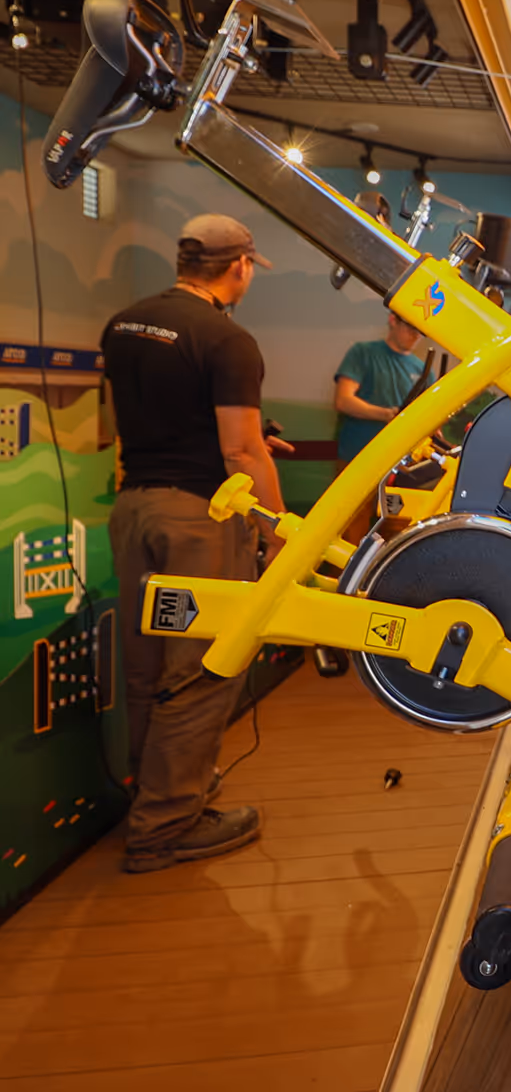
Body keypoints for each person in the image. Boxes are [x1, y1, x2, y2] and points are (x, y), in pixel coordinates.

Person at [101, 213, 285, 873]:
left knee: (147, 667)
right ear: (239, 267)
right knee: (201, 669)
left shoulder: (123, 325)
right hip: (197, 525)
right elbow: (240, 450)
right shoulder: (227, 340)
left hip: (135, 514)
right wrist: (280, 531)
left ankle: (154, 796)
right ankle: (166, 827)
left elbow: (155, 418)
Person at [333, 311, 435, 539]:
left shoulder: (424, 370)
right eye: (410, 327)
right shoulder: (363, 354)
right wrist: (387, 415)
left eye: (420, 331)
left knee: (396, 535)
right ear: (393, 320)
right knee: (350, 533)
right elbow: (343, 400)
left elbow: (431, 419)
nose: (415, 335)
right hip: (357, 459)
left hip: (399, 470)